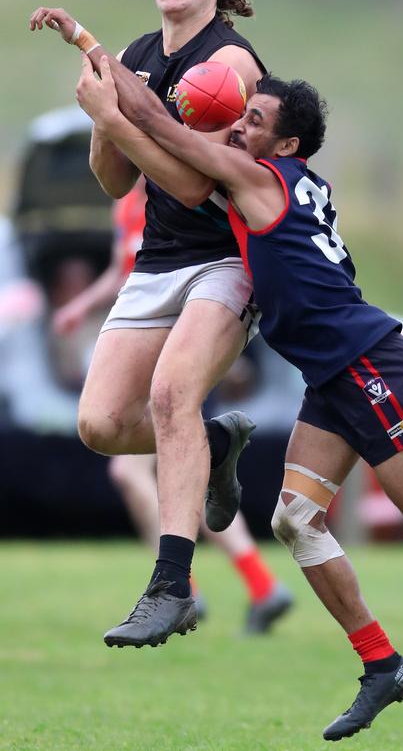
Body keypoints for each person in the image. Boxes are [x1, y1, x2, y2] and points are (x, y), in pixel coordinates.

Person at [32, 10, 403, 740]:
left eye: (254, 120)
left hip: (369, 365)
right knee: (293, 520)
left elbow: (166, 130)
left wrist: (94, 63)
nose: (238, 127)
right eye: (239, 117)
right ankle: (382, 665)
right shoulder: (268, 180)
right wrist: (118, 101)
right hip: (331, 378)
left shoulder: (260, 176)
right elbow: (179, 176)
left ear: (287, 144)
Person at [28, 0, 284, 647]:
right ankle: (213, 444)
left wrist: (122, 111)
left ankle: (172, 586)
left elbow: (194, 184)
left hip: (227, 259)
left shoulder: (228, 63)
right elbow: (116, 183)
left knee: (171, 395)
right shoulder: (138, 56)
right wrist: (104, 122)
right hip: (157, 263)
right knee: (101, 425)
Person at [52, 176, 293, 634]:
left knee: (143, 469)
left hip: (190, 340)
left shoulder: (192, 184)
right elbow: (120, 271)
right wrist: (81, 307)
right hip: (146, 333)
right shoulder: (126, 202)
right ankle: (256, 583)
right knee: (175, 461)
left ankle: (187, 587)